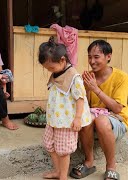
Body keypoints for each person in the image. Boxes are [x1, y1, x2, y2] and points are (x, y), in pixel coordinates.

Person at [70, 40, 128, 179]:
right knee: (85, 116)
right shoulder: (88, 77)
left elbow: (117, 108)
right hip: (93, 119)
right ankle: (89, 162)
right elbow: (86, 106)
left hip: (116, 120)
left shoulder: (121, 77)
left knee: (101, 120)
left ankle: (111, 166)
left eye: (96, 57)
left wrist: (95, 89)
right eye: (90, 57)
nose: (92, 61)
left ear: (108, 56)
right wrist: (87, 89)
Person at [38, 37, 92, 179]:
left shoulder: (74, 77)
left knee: (63, 150)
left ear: (62, 60)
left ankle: (63, 177)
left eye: (51, 67)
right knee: (49, 144)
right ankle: (58, 171)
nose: (49, 70)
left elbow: (80, 98)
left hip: (66, 121)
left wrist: (78, 119)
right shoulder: (57, 73)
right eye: (46, 68)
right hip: (55, 119)